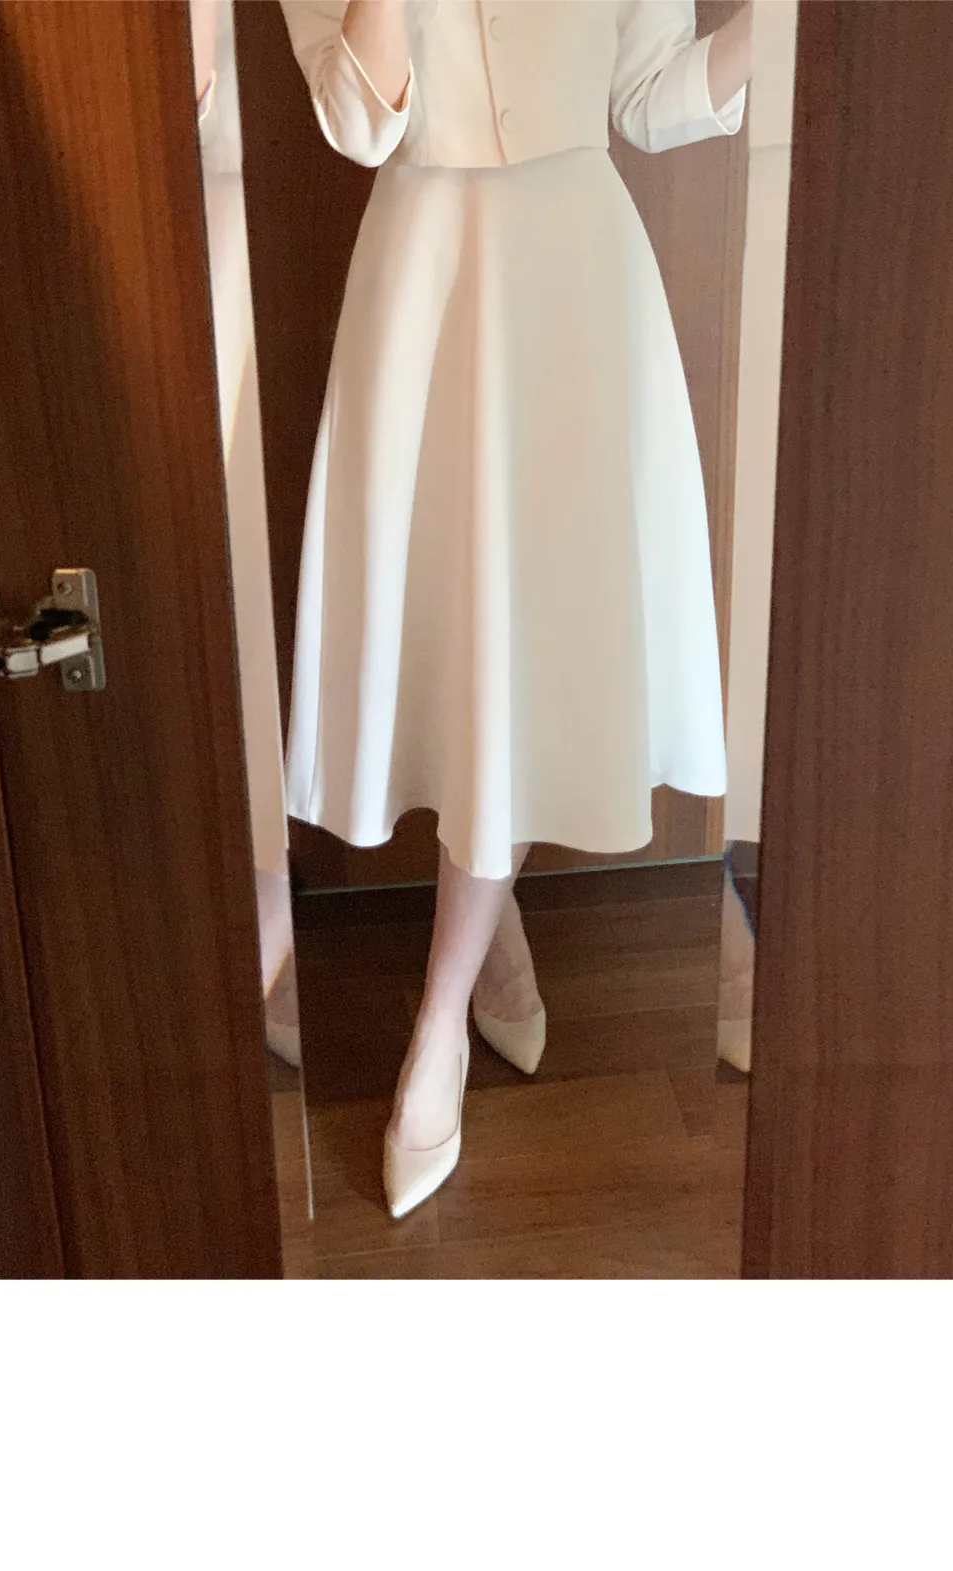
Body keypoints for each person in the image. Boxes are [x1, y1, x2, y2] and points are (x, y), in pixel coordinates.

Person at [279, 0, 752, 1217]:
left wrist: (782, 30)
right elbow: (355, 123)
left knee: (544, 633)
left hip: (578, 289)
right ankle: (475, 952)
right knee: (455, 630)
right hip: (425, 286)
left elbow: (647, 98)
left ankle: (442, 1007)